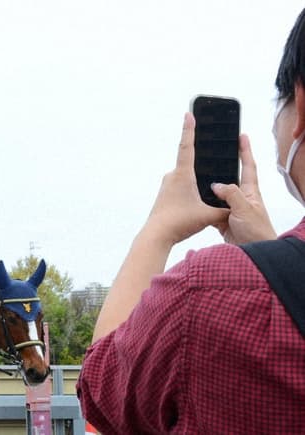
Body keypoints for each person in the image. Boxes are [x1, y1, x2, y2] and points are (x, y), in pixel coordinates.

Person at [76, 9, 305, 433]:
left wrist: (159, 229)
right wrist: (272, 257)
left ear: (300, 104)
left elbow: (100, 389)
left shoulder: (203, 291)